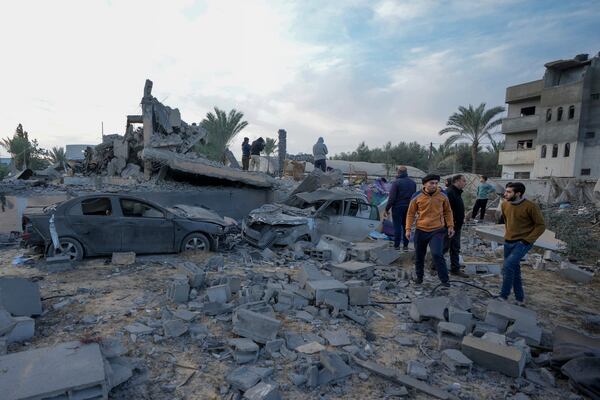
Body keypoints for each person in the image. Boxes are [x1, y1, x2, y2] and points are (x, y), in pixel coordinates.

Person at [499, 182, 545, 305]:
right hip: (508, 241)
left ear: (518, 193)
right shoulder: (504, 205)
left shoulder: (530, 206)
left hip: (522, 243)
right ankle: (520, 299)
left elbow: (540, 226)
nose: (505, 194)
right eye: (506, 191)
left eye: (509, 192)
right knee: (514, 270)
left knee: (508, 266)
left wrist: (527, 240)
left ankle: (503, 296)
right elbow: (507, 221)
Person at [406, 174, 455, 286]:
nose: (434, 185)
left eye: (436, 183)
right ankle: (419, 278)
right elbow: (410, 213)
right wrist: (408, 229)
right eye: (431, 183)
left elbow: (448, 211)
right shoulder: (416, 196)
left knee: (437, 254)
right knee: (419, 255)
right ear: (425, 184)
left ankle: (445, 281)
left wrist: (450, 226)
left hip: (437, 230)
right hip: (421, 230)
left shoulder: (443, 195)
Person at [383, 166, 416, 251]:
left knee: (397, 227)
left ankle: (396, 246)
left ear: (398, 172)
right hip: (409, 208)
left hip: (397, 208)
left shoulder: (396, 183)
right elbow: (414, 197)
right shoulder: (413, 183)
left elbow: (392, 198)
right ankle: (405, 246)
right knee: (406, 227)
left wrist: (387, 209)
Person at [444, 174, 468, 277]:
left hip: (456, 226)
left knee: (455, 248)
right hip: (449, 226)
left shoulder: (456, 193)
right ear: (456, 181)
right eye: (463, 181)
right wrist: (450, 225)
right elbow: (445, 211)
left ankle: (455, 269)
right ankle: (434, 267)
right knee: (444, 248)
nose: (465, 183)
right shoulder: (450, 193)